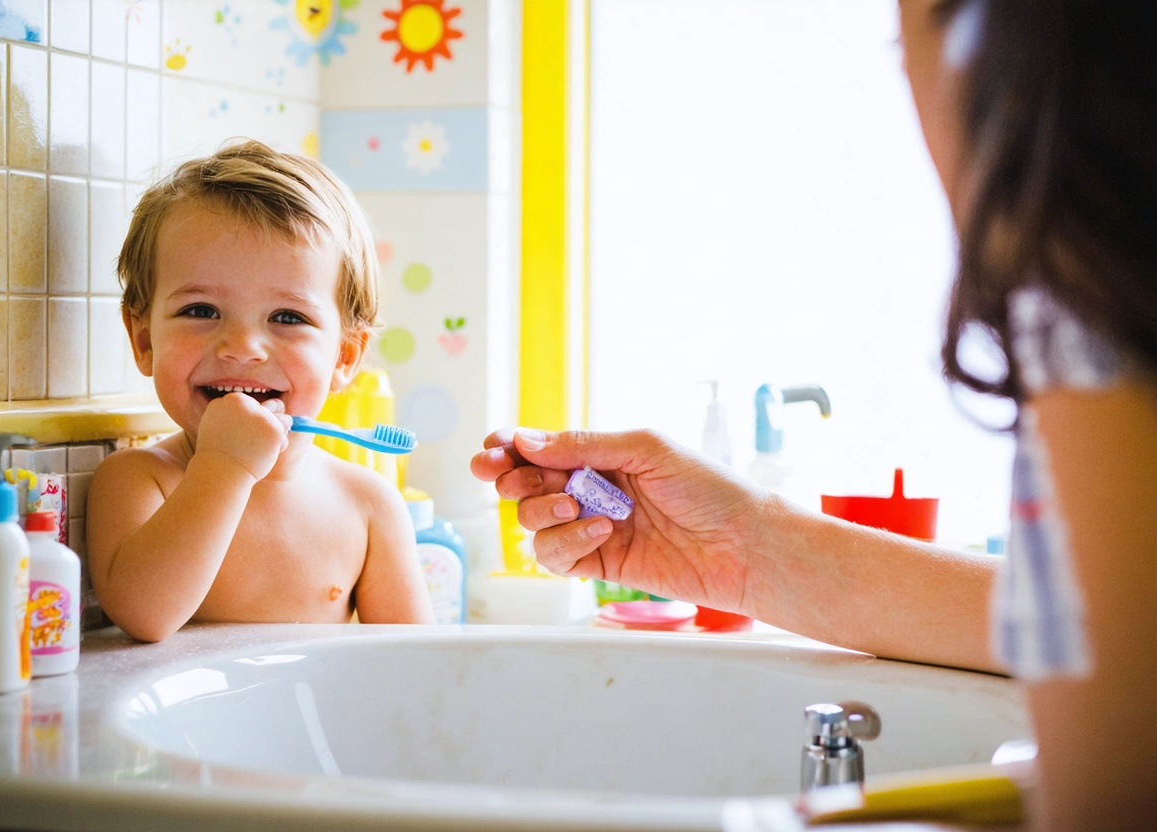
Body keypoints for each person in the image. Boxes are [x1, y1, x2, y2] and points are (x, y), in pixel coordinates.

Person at [472, 1, 1157, 829]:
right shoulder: (1098, 348)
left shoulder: (1101, 346)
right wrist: (740, 551)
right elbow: (1107, 639)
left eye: (913, 32)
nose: (912, 76)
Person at [87, 141, 435, 642]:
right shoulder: (141, 481)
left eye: (287, 317)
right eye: (201, 310)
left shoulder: (368, 505)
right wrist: (225, 468)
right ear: (144, 341)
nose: (243, 348)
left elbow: (415, 668)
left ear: (344, 358)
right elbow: (144, 615)